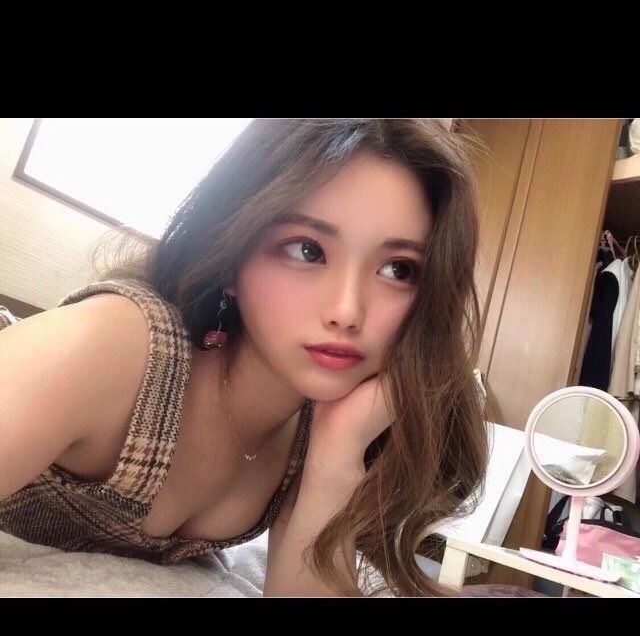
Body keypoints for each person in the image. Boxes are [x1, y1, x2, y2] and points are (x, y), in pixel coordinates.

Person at [0, 119, 489, 597]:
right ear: (233, 256)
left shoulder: (318, 422)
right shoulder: (116, 344)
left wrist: (337, 453)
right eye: (307, 250)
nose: (346, 311)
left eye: (397, 269)